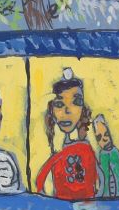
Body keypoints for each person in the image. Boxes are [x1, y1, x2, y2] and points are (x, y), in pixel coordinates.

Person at [34, 68, 99, 200]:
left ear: (83, 110)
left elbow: (97, 184)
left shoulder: (86, 150)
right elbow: (40, 183)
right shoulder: (55, 151)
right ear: (51, 110)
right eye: (59, 104)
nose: (67, 110)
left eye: (76, 103)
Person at [92, 114, 119, 198]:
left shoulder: (115, 152)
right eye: (99, 137)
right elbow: (103, 180)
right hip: (106, 198)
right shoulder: (101, 155)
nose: (104, 139)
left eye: (106, 134)